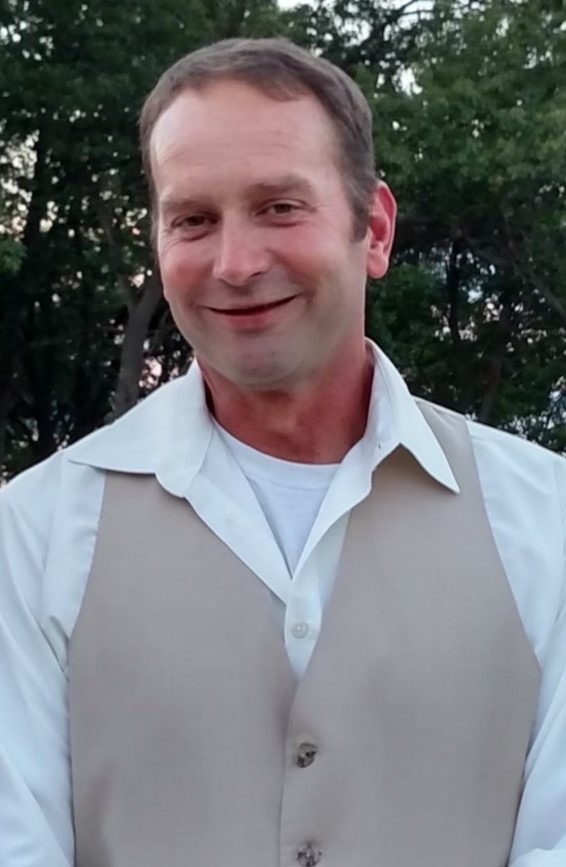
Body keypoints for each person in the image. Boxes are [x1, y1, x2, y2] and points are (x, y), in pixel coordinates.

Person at [0, 37, 565, 867]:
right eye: (194, 219)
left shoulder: (546, 519)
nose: (235, 263)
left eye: (279, 207)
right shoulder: (34, 533)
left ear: (375, 229)